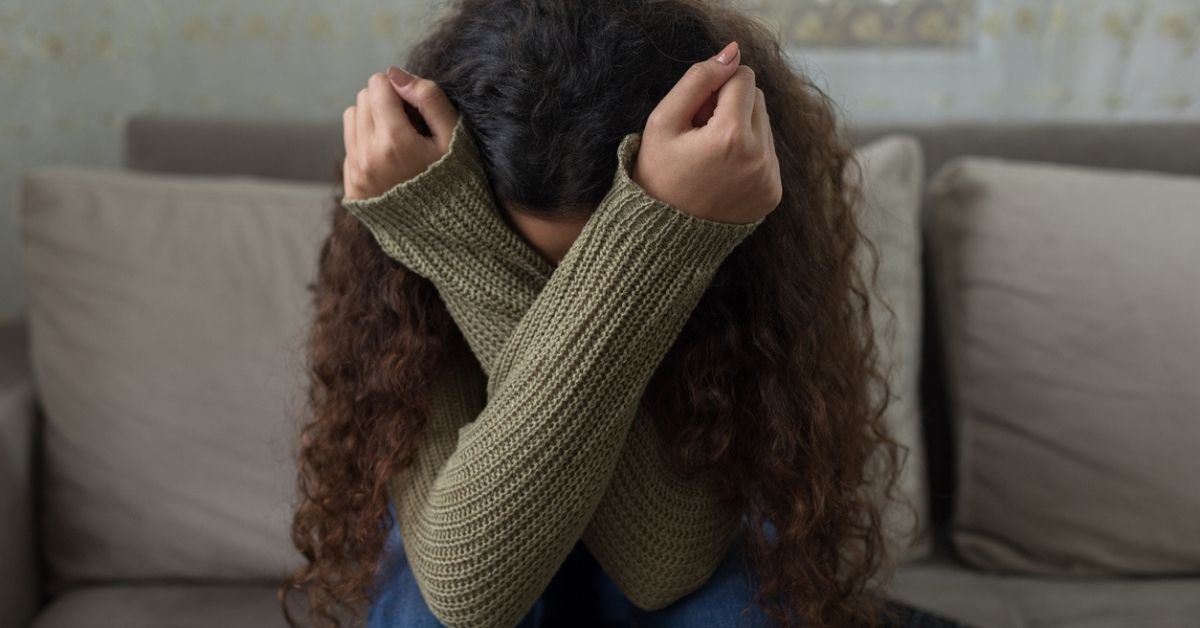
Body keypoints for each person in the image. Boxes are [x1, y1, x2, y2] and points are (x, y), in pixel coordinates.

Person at [281, 1, 966, 627]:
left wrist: (664, 241)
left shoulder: (743, 237)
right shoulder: (416, 252)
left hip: (681, 555)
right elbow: (468, 586)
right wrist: (447, 234)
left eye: (592, 266)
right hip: (474, 537)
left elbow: (663, 566)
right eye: (532, 265)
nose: (560, 289)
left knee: (742, 606)